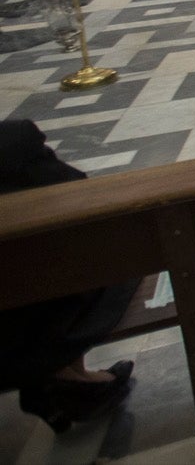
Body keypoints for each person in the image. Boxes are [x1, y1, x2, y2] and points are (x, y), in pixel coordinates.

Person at [1, 120, 137, 432]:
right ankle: (60, 374)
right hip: (26, 317)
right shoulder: (15, 148)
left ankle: (65, 375)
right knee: (82, 255)